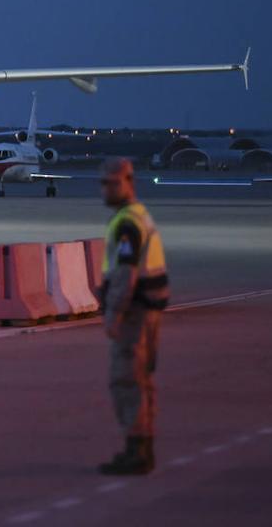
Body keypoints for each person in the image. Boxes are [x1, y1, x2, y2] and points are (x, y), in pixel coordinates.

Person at [98, 157, 169, 475]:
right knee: (142, 380)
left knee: (127, 380)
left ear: (129, 183)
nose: (106, 189)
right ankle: (144, 447)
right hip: (149, 310)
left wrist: (114, 313)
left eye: (112, 183)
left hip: (135, 313)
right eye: (104, 183)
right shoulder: (138, 216)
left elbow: (126, 273)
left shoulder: (127, 223)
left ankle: (136, 450)